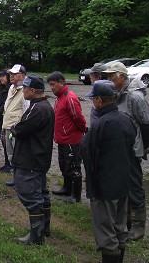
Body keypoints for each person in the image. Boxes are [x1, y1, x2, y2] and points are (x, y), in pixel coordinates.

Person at [81, 80, 136, 262]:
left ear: (99, 100)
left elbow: (88, 154)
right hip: (123, 183)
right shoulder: (127, 120)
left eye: (93, 99)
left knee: (105, 231)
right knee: (120, 226)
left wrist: (91, 184)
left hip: (104, 186)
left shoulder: (100, 124)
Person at [103, 62, 149, 241]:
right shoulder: (115, 95)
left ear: (122, 77)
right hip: (119, 148)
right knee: (121, 185)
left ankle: (139, 226)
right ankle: (126, 221)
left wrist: (143, 147)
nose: (108, 80)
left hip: (132, 150)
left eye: (111, 77)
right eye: (107, 77)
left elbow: (146, 125)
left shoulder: (134, 97)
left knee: (134, 186)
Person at [11, 74, 55, 245]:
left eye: (25, 88)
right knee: (41, 192)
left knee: (30, 194)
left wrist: (15, 128)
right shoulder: (42, 106)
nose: (23, 91)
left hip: (31, 160)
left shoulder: (39, 109)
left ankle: (37, 236)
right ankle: (44, 228)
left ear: (33, 90)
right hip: (38, 158)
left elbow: (21, 129)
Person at [47, 71, 87, 204]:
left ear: (61, 83)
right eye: (50, 85)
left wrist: (79, 132)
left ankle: (76, 196)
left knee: (74, 167)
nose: (51, 88)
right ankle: (66, 188)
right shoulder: (59, 97)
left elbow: (79, 118)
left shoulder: (69, 97)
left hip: (72, 139)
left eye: (53, 85)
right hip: (62, 139)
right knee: (64, 165)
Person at [2, 64, 29, 185]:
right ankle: (16, 178)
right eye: (10, 74)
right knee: (11, 155)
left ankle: (22, 179)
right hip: (8, 126)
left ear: (22, 75)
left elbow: (27, 111)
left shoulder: (25, 90)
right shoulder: (12, 88)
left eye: (14, 74)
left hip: (17, 129)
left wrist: (20, 128)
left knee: (19, 155)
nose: (11, 76)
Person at [88, 63, 108, 127]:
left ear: (99, 77)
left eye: (91, 75)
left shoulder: (102, 93)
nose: (90, 77)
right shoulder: (110, 90)